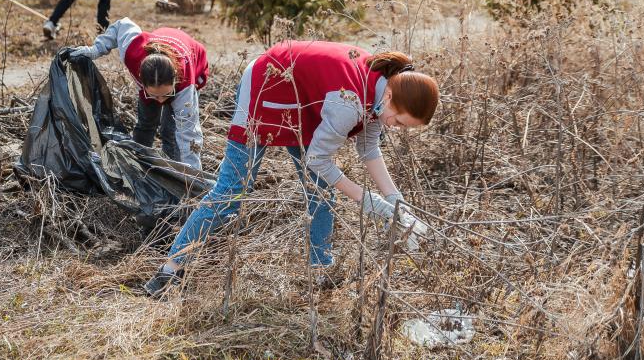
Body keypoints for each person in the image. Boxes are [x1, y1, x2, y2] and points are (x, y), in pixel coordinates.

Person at [144, 42, 438, 297]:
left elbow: (368, 148)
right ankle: (169, 270)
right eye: (399, 122)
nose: (396, 127)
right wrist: (366, 199)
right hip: (266, 85)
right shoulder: (349, 103)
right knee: (231, 192)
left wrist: (396, 200)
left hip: (304, 105)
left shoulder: (379, 94)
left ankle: (320, 270)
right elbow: (318, 160)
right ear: (390, 96)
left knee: (319, 192)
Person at [69, 17, 209, 170]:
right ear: (141, 78)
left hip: (192, 61)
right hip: (156, 63)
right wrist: (96, 50)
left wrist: (193, 175)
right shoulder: (133, 50)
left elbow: (189, 135)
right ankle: (138, 165)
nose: (161, 101)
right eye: (154, 95)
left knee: (171, 130)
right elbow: (121, 25)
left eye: (166, 95)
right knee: (146, 124)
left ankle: (174, 171)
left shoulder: (185, 85)